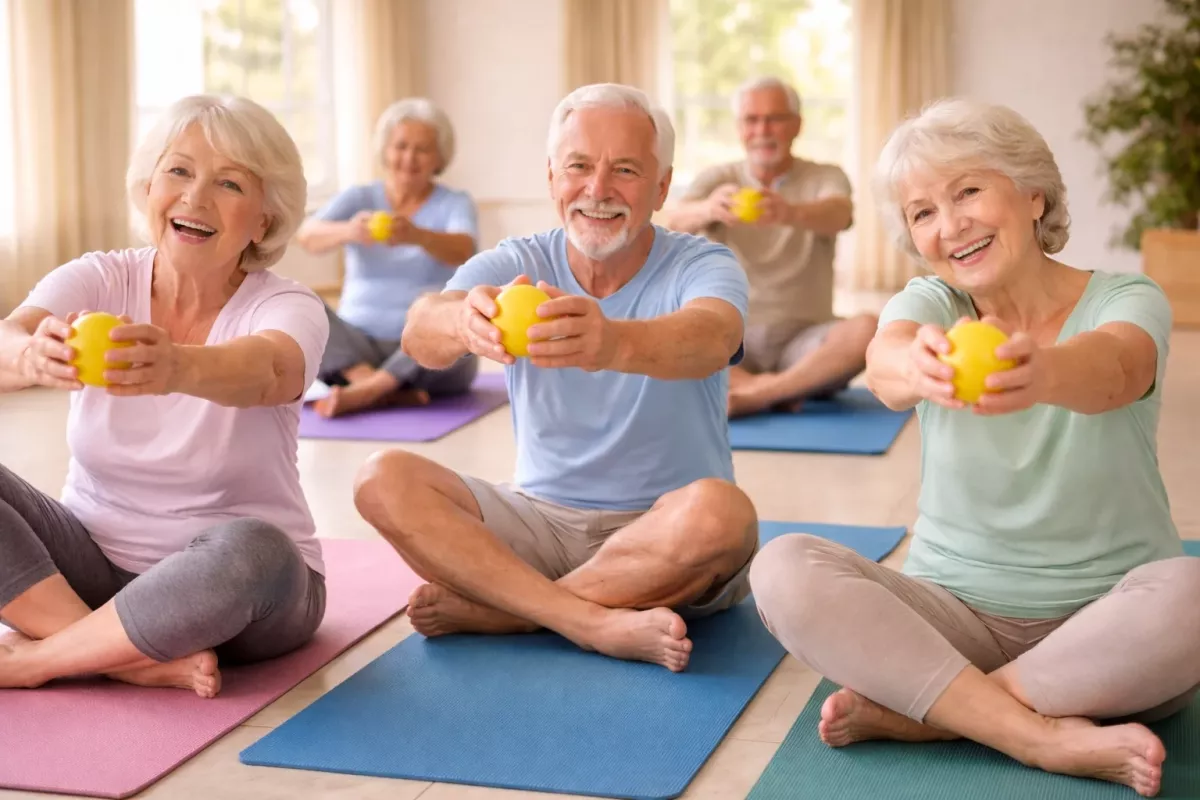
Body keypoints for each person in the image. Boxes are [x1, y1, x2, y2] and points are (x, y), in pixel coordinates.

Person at [749, 98, 1199, 797]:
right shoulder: (932, 304)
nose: (949, 225)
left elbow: (1117, 369)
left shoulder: (1124, 296)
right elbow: (885, 361)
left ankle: (940, 714)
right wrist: (913, 368)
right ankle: (1035, 733)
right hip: (952, 618)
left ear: (1031, 194)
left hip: (1109, 624)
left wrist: (1039, 372)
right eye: (923, 212)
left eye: (967, 192)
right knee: (781, 567)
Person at [352, 83, 758, 672]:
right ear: (551, 178)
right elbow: (419, 332)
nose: (598, 190)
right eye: (579, 166)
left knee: (726, 515)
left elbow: (712, 338)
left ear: (662, 187)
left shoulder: (703, 263)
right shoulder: (520, 261)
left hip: (667, 534)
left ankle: (511, 611)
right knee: (380, 478)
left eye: (625, 169)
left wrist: (611, 341)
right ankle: (587, 619)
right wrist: (462, 323)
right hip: (540, 523)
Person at [0, 95, 330, 698]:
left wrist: (175, 365)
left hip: (241, 593)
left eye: (229, 183)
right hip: (94, 567)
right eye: (178, 171)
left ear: (264, 219)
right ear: (149, 185)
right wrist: (27, 355)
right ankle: (115, 655)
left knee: (257, 547)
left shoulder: (286, 305)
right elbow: (9, 334)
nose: (195, 198)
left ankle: (35, 661)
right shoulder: (101, 277)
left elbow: (268, 372)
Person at [661, 76, 874, 417]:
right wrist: (707, 209)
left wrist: (790, 212)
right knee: (674, 332)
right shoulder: (718, 178)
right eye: (752, 120)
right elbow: (672, 221)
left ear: (797, 125)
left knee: (868, 328)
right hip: (732, 337)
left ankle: (756, 393)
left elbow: (840, 213)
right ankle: (786, 388)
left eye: (774, 119)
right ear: (739, 128)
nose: (763, 129)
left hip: (803, 341)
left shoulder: (825, 176)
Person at [296, 98, 480, 417]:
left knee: (459, 332)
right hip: (357, 347)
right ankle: (377, 387)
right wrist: (349, 231)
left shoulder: (455, 202)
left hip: (422, 347)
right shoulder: (360, 197)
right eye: (401, 146)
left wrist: (417, 235)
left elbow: (465, 249)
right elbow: (308, 236)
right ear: (385, 150)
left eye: (422, 149)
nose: (409, 158)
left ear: (439, 157)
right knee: (299, 303)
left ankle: (368, 390)